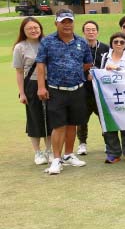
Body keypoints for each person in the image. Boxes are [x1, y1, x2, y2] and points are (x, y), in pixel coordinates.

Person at [36, 10, 92, 175]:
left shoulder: (81, 42)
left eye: (70, 21)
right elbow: (40, 65)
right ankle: (56, 159)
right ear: (56, 23)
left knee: (72, 124)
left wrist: (72, 72)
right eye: (63, 22)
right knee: (59, 125)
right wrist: (41, 87)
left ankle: (68, 154)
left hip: (77, 90)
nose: (67, 25)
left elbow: (87, 64)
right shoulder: (47, 42)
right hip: (56, 90)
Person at [13, 17, 51, 165]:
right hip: (31, 85)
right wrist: (22, 93)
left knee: (50, 118)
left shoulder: (48, 42)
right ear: (24, 31)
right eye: (30, 28)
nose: (34, 30)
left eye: (36, 27)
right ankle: (38, 152)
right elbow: (19, 72)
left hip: (50, 83)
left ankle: (49, 151)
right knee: (34, 118)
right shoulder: (20, 47)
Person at [99, 32, 125, 163]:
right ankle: (113, 153)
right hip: (108, 96)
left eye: (122, 42)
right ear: (111, 43)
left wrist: (118, 68)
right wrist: (106, 69)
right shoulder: (105, 57)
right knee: (110, 126)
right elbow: (98, 74)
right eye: (115, 41)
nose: (118, 44)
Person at [77, 20, 109, 155]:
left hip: (100, 91)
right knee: (81, 119)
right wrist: (86, 74)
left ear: (97, 32)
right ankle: (82, 143)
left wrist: (97, 75)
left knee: (104, 118)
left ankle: (108, 143)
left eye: (93, 29)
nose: (91, 32)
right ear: (83, 32)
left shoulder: (105, 48)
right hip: (83, 90)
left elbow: (109, 67)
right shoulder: (78, 47)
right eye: (88, 30)